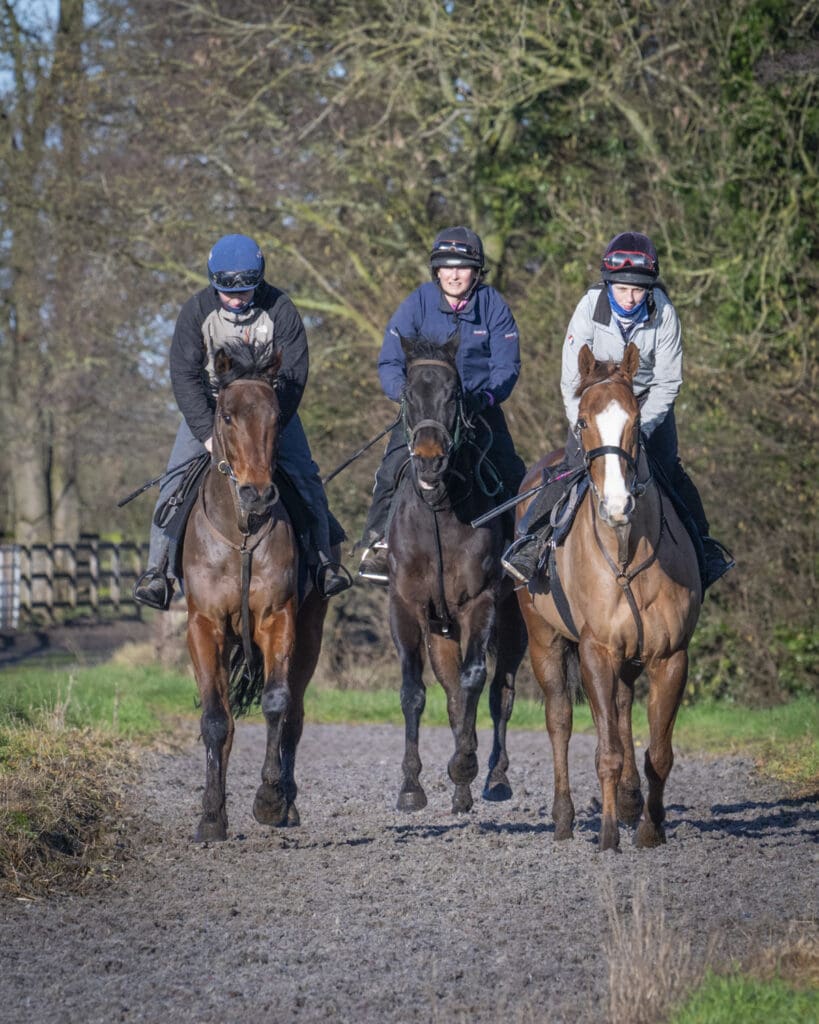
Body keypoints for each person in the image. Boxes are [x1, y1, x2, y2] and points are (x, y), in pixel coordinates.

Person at [502, 230, 734, 590]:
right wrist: (586, 426)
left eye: (638, 290)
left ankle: (704, 549)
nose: (630, 297)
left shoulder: (665, 314)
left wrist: (639, 425)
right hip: (594, 409)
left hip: (644, 408)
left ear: (649, 289)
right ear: (608, 284)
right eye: (622, 289)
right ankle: (531, 543)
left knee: (669, 471)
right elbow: (569, 380)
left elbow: (669, 382)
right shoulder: (587, 307)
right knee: (569, 468)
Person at [133, 233, 350, 608]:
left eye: (245, 293)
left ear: (259, 282)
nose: (235, 300)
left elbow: (296, 372)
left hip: (270, 412)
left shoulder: (280, 308)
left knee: (306, 477)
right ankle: (158, 571)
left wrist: (266, 427)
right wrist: (206, 433)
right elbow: (183, 376)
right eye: (227, 293)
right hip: (212, 412)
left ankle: (323, 563)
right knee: (172, 482)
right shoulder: (196, 312)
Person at [358, 226, 527, 582]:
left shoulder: (493, 305)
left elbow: (506, 365)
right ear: (436, 270)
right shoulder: (417, 302)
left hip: (477, 408)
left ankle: (521, 548)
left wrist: (485, 398)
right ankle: (377, 543)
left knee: (510, 469)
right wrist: (406, 398)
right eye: (446, 267)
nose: (453, 274)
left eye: (462, 267)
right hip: (424, 413)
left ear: (476, 272)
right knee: (392, 467)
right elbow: (390, 361)